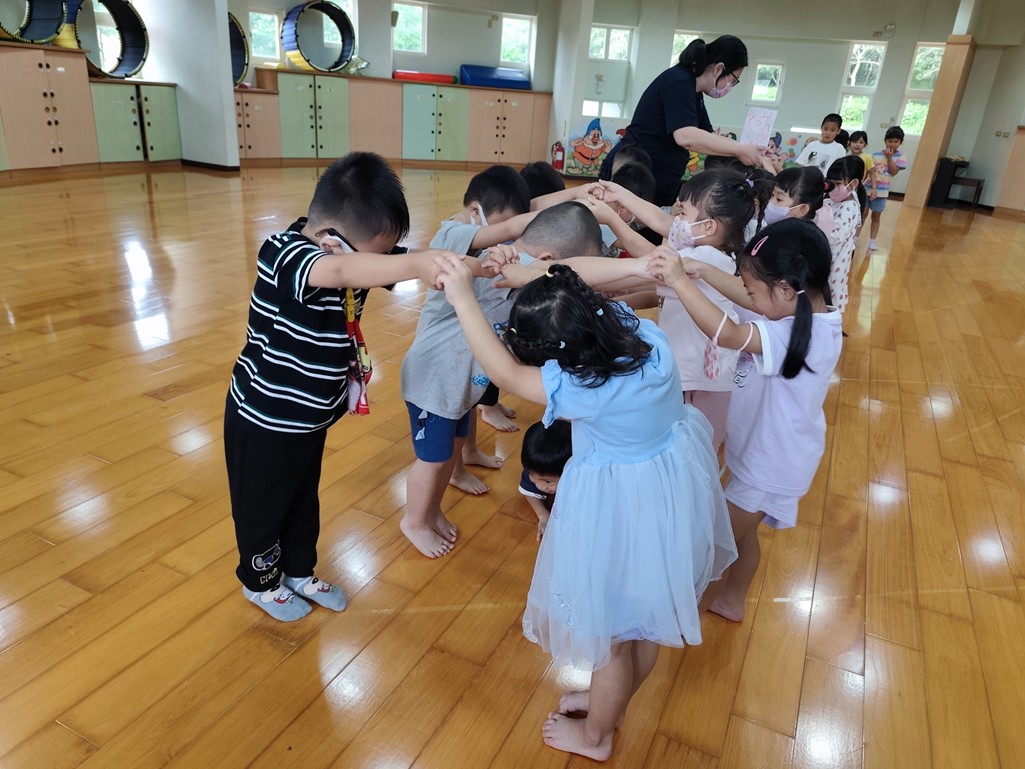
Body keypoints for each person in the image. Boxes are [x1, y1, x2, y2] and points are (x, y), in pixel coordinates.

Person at [434, 258, 736, 761]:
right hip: (667, 491)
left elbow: (503, 372)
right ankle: (606, 708)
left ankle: (597, 736)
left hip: (620, 510)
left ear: (561, 360)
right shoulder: (638, 332)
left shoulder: (584, 389)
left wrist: (464, 297)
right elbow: (587, 289)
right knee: (645, 624)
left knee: (611, 640)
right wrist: (538, 275)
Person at [224, 152, 459, 622]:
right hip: (264, 418)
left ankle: (298, 570)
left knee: (302, 499)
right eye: (373, 253)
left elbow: (398, 262)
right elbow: (341, 272)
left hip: (309, 418)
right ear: (331, 238)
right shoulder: (285, 253)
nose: (379, 262)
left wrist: (474, 262)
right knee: (262, 507)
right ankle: (261, 583)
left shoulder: (351, 254)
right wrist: (414, 264)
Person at [647, 218, 842, 623]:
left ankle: (677, 616)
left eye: (752, 289)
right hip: (766, 455)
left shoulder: (795, 334)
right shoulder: (805, 311)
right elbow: (757, 300)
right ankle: (732, 600)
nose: (748, 296)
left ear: (785, 289)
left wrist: (681, 282)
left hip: (769, 468)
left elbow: (730, 335)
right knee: (742, 535)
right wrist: (702, 270)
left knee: (710, 545)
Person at [400, 202, 604, 558]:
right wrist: (488, 264)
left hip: (461, 383)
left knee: (453, 446)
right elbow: (454, 265)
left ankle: (432, 510)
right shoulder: (498, 265)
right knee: (432, 458)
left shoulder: (527, 273)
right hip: (434, 381)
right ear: (547, 259)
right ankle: (414, 521)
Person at [596, 168, 756, 449]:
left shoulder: (703, 257)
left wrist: (590, 276)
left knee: (701, 445)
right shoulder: (706, 251)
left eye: (683, 214)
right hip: (693, 368)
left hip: (705, 375)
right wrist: (620, 193)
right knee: (690, 441)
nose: (675, 221)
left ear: (709, 226)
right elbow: (659, 221)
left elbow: (643, 257)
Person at [427, 165, 536, 490]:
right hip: (443, 346)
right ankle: (456, 472)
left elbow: (516, 220)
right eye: (502, 226)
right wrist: (576, 203)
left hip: (464, 338)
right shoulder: (452, 232)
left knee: (469, 402)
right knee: (452, 415)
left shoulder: (476, 229)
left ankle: (470, 452)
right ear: (476, 210)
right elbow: (515, 225)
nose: (506, 236)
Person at [599, 36, 764, 206]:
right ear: (718, 69)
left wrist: (749, 149)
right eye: (733, 80)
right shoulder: (678, 82)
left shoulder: (694, 92)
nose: (730, 87)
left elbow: (708, 136)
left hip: (655, 179)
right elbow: (686, 136)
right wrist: (739, 149)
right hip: (633, 176)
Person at [824, 156, 866, 314]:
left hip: (835, 264)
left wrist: (819, 224)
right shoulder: (833, 201)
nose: (832, 188)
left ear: (853, 184)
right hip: (827, 259)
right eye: (830, 183)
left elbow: (835, 236)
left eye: (838, 184)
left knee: (830, 299)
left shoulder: (849, 207)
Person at [519, 419, 572, 541]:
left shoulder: (584, 481)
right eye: (533, 477)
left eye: (548, 482)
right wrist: (543, 515)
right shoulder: (535, 467)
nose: (540, 486)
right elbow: (529, 493)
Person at [865, 126, 907, 252]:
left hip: (882, 192)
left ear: (900, 142)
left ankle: (872, 241)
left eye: (896, 141)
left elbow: (893, 171)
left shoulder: (900, 157)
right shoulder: (875, 155)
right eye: (890, 141)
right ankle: (854, 238)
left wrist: (889, 158)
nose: (892, 144)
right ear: (885, 141)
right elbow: (869, 171)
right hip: (867, 189)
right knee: (862, 214)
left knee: (876, 216)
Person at [764, 166, 833, 239]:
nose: (769, 202)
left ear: (802, 209)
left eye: (779, 199)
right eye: (772, 195)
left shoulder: (793, 242)